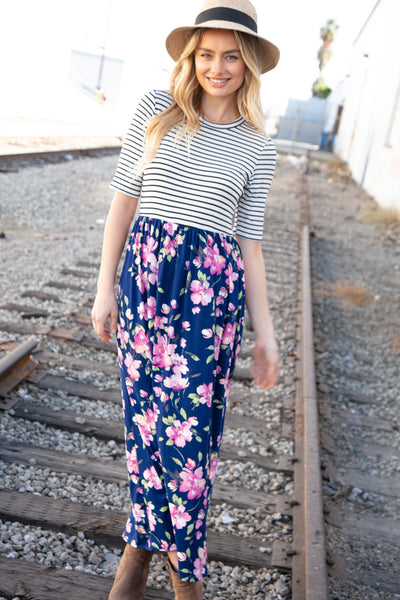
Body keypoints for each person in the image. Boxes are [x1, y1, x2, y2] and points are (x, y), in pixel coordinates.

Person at [91, 1, 280, 598]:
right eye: (206, 54)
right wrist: (103, 290)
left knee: (190, 449)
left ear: (247, 62)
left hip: (209, 303)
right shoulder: (157, 112)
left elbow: (249, 245)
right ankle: (140, 558)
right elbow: (124, 201)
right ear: (190, 57)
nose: (216, 68)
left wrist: (267, 335)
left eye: (230, 56)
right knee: (146, 431)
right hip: (144, 288)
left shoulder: (259, 147)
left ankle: (180, 574)